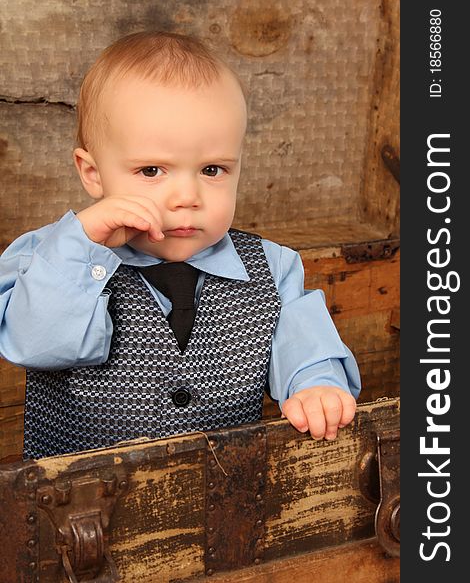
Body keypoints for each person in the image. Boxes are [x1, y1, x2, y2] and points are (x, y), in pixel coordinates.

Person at [0, 31, 360, 460]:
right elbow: (36, 343)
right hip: (79, 509)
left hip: (223, 496)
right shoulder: (49, 257)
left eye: (212, 169)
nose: (187, 196)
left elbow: (305, 344)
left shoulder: (272, 267)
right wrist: (82, 244)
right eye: (152, 170)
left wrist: (315, 385)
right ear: (93, 173)